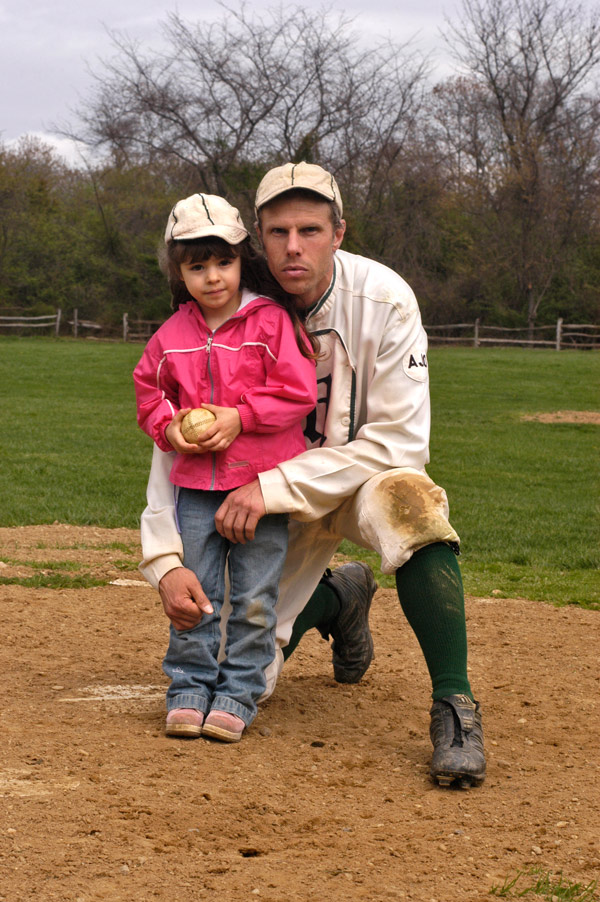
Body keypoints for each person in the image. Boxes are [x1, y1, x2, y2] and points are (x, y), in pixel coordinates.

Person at [139, 163, 486, 786]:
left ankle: (454, 706)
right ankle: (338, 597)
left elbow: (402, 440)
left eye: (310, 229)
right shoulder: (225, 305)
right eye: (277, 231)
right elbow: (179, 444)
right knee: (250, 676)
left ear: (339, 232)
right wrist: (165, 561)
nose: (293, 246)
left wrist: (271, 487)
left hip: (349, 482)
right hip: (266, 499)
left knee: (412, 507)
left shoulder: (383, 299)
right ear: (258, 240)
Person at [133, 193, 317, 742]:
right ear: (179, 271)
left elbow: (297, 392)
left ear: (242, 260)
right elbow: (149, 395)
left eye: (224, 262)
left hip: (262, 487)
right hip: (195, 487)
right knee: (198, 594)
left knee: (257, 597)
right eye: (197, 266)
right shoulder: (171, 337)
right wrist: (168, 427)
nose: (213, 277)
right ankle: (188, 689)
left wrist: (240, 417)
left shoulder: (271, 323)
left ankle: (238, 691)